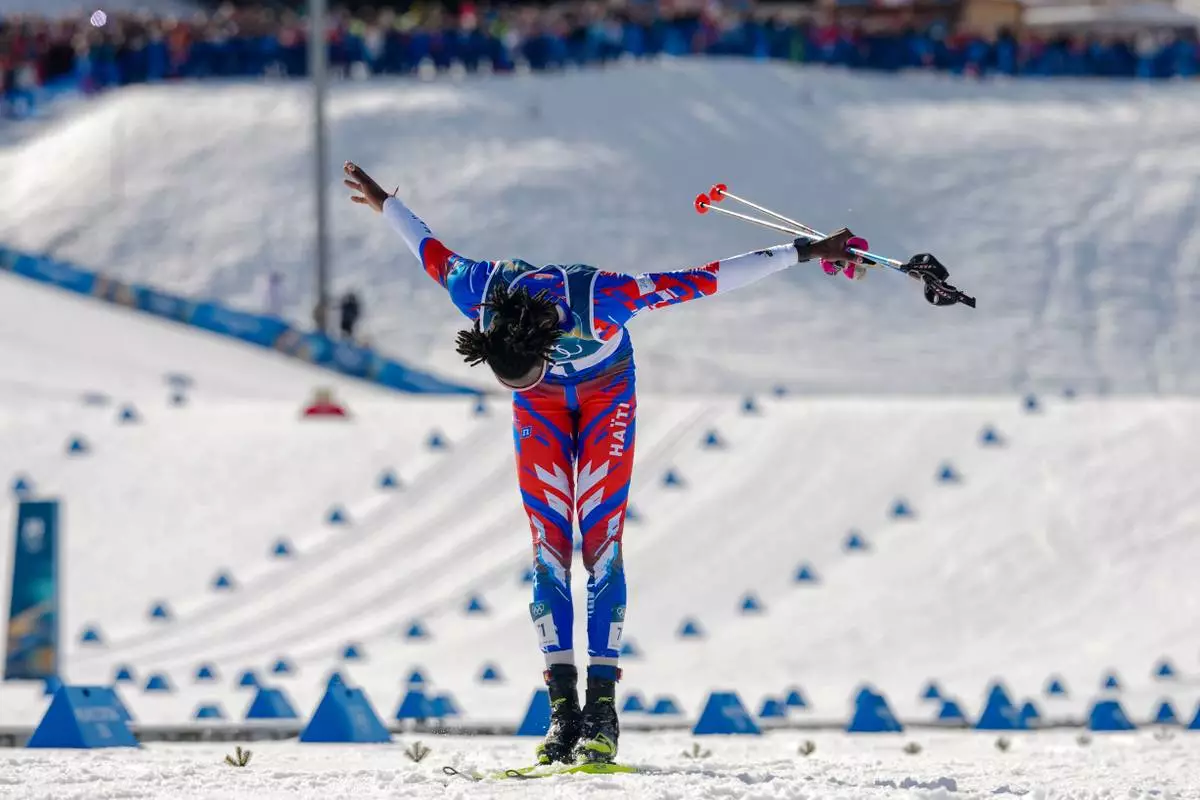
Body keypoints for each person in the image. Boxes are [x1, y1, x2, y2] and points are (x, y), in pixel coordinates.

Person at [342, 161, 868, 766]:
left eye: (533, 370)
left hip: (605, 397)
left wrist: (804, 250)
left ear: (544, 342)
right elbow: (427, 247)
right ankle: (562, 712)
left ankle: (602, 711)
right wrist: (386, 204)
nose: (533, 378)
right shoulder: (478, 291)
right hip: (540, 413)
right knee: (548, 548)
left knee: (600, 545)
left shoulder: (602, 300)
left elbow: (706, 279)